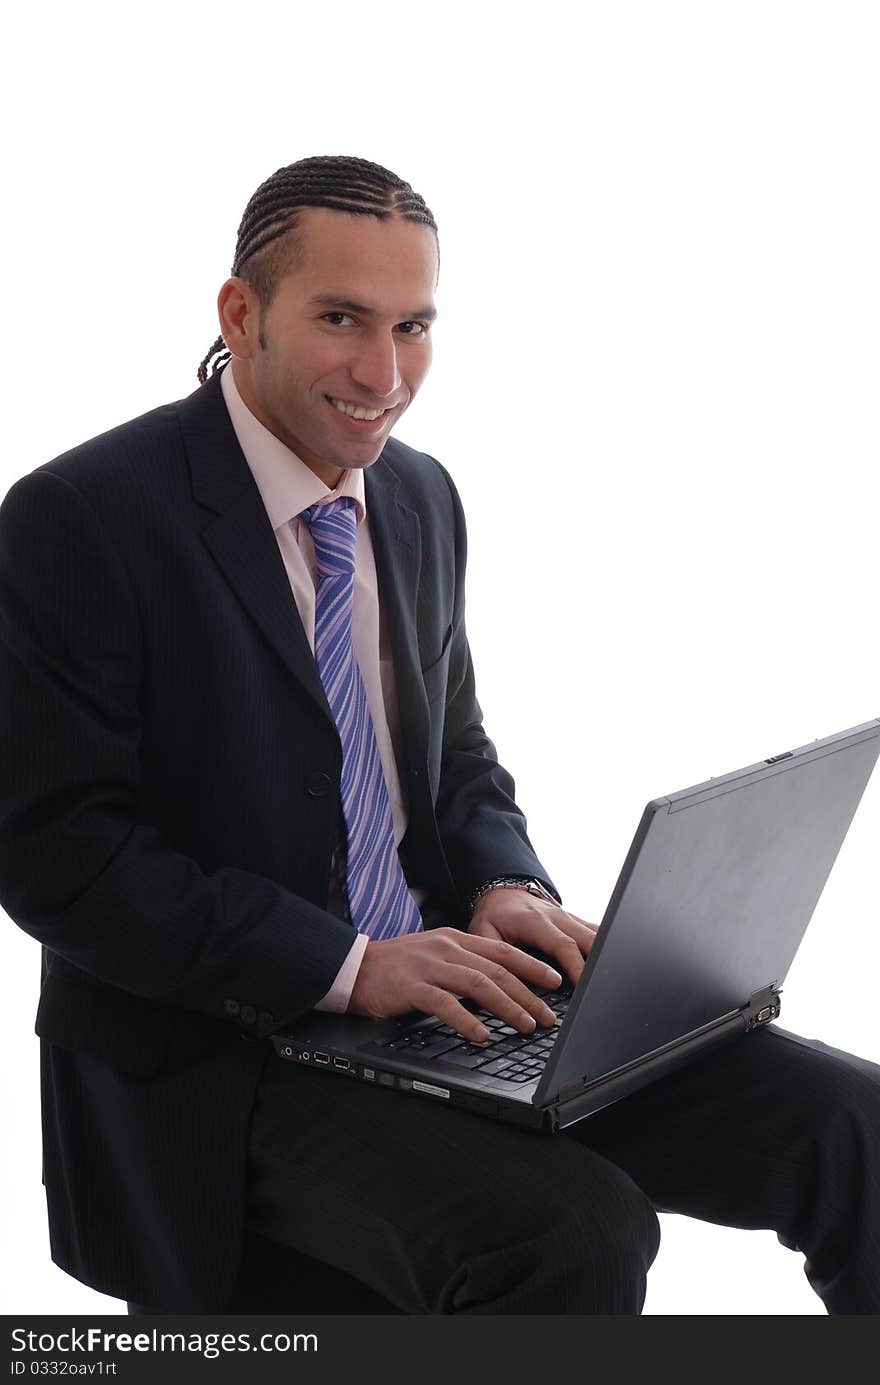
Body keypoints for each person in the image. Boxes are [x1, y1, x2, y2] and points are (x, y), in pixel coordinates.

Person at [0, 155, 877, 1317]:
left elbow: (454, 756)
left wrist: (505, 879)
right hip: (225, 1049)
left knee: (855, 1127)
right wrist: (351, 964)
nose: (384, 371)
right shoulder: (80, 518)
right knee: (573, 1229)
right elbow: (60, 856)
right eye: (341, 320)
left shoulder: (416, 496)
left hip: (442, 1001)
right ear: (240, 313)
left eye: (413, 325)